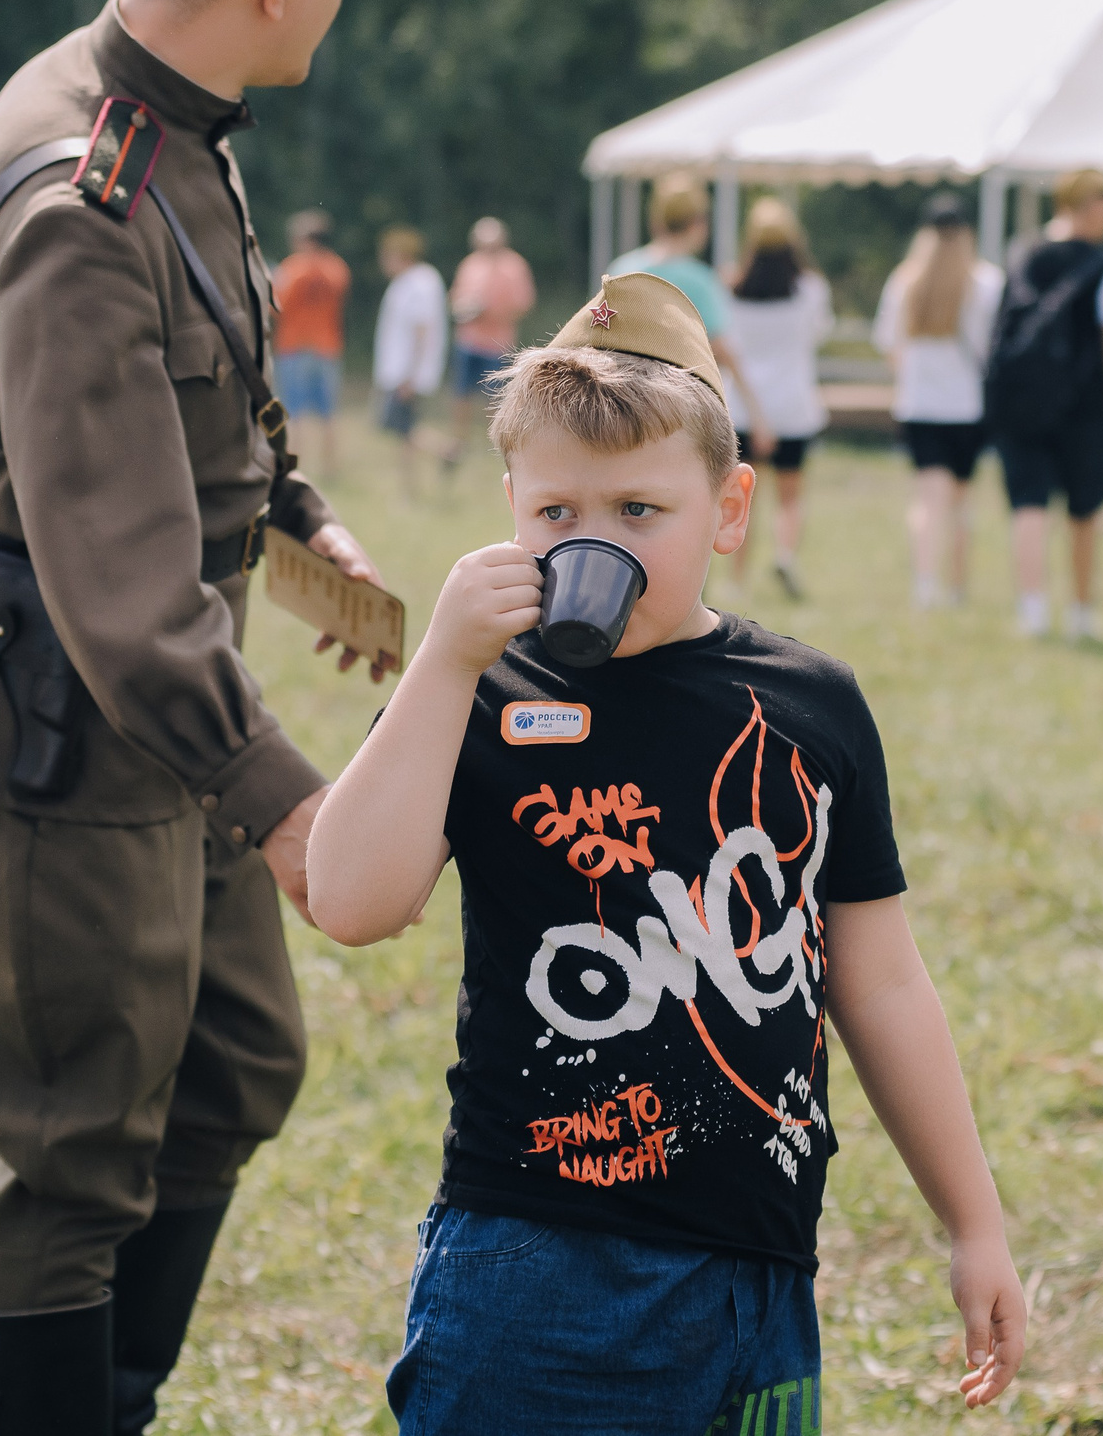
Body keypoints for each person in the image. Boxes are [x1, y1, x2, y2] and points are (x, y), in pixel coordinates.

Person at [0, 0, 407, 1436]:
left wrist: (300, 517)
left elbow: (202, 396)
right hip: (56, 722)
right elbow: (111, 582)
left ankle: (102, 1400)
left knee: (236, 1060)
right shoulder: (84, 198)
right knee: (77, 1146)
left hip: (154, 705)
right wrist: (295, 812)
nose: (339, 2)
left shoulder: (172, 124)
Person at [303, 270, 1026, 1432]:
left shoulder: (809, 705)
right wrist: (441, 662)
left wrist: (973, 1220)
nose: (594, 541)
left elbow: (882, 979)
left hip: (758, 1273)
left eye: (639, 509)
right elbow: (348, 899)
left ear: (729, 509)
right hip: (532, 1264)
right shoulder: (481, 690)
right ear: (510, 506)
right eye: (557, 513)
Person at [986, 168, 1103, 641]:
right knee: (1085, 511)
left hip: (1020, 404)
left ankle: (1032, 610)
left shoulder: (1021, 253)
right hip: (1084, 406)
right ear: (1095, 205)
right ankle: (1081, 612)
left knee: (1028, 506)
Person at [874, 192, 1002, 610]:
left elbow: (889, 346)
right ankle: (957, 586)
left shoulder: (905, 281)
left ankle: (925, 585)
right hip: (967, 408)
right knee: (961, 504)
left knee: (928, 501)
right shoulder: (986, 283)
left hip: (921, 406)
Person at [606, 173, 774, 450]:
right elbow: (722, 349)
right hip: (677, 413)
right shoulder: (700, 280)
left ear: (656, 220)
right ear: (698, 224)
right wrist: (757, 415)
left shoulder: (622, 269)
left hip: (622, 404)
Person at [719, 196, 831, 598]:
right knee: (790, 494)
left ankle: (738, 579)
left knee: (742, 497)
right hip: (793, 406)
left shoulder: (730, 286)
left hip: (743, 407)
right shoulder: (810, 289)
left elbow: (725, 342)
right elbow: (818, 333)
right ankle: (785, 555)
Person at [446, 214, 537, 466]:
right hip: (468, 340)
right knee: (461, 394)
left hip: (497, 343)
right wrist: (463, 308)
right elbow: (456, 296)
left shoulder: (514, 266)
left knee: (496, 398)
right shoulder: (470, 264)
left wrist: (490, 314)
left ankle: (497, 445)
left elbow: (523, 305)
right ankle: (460, 441)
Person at [274, 208, 351, 477]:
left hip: (295, 347)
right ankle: (330, 468)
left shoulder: (291, 268)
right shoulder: (338, 268)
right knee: (328, 413)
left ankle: (295, 467)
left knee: (294, 412)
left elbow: (276, 306)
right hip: (327, 347)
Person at [374, 225, 448, 493]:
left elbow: (421, 330)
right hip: (401, 372)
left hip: (407, 374)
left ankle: (410, 485)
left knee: (405, 429)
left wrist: (410, 375)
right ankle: (444, 452)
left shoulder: (419, 283)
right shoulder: (407, 282)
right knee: (402, 428)